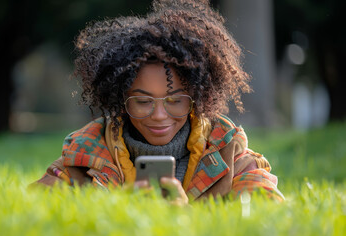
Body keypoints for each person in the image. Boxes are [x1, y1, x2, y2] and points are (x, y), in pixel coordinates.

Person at [32, 0, 284, 204]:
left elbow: (269, 220)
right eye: (142, 101)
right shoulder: (83, 157)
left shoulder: (234, 159)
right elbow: (29, 216)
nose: (159, 115)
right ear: (121, 100)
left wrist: (188, 220)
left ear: (197, 98)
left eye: (175, 100)